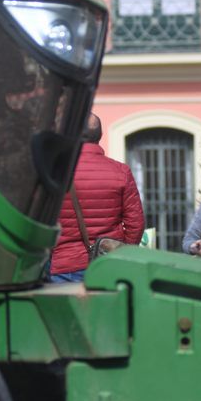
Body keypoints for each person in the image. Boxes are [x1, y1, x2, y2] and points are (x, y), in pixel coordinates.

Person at [49, 114, 145, 283]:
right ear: (100, 135)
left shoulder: (56, 172)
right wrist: (121, 251)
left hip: (64, 265)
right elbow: (135, 223)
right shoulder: (121, 171)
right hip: (109, 263)